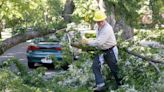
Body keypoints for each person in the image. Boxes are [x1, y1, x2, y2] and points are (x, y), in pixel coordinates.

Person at [81, 10, 121, 91]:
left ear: (104, 20)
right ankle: (101, 85)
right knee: (95, 66)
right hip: (101, 51)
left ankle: (121, 85)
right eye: (98, 22)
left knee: (114, 69)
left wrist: (87, 42)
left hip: (110, 50)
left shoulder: (107, 29)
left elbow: (99, 42)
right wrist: (89, 41)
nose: (99, 23)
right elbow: (98, 39)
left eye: (101, 21)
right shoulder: (97, 27)